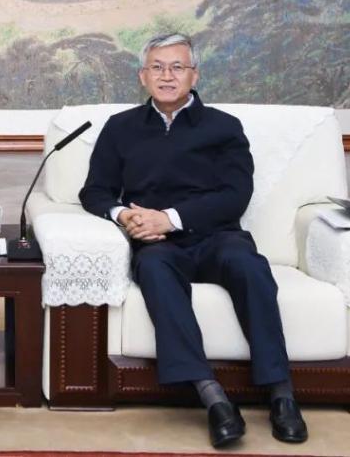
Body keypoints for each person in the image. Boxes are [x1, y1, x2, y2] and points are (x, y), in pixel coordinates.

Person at [78, 33, 307, 449]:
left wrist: (169, 218)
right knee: (153, 268)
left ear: (194, 75)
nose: (167, 76)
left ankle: (281, 393)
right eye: (157, 67)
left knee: (250, 267)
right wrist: (124, 215)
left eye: (177, 67)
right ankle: (212, 397)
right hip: (156, 244)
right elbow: (95, 192)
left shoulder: (223, 127)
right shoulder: (121, 128)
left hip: (217, 237)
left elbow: (236, 195)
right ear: (143, 76)